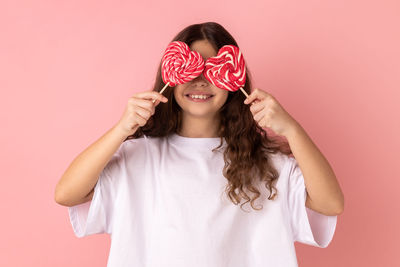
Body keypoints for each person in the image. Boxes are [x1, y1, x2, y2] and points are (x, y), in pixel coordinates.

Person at [55, 21, 344, 267]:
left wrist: (292, 129)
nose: (200, 80)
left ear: (234, 79)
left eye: (214, 69)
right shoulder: (137, 156)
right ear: (170, 74)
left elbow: (330, 203)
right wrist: (121, 129)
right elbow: (67, 193)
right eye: (188, 68)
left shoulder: (267, 162)